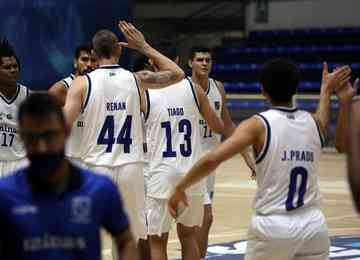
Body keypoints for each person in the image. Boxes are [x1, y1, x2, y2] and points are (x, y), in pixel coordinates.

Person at [168, 59, 351, 260]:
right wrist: (334, 95)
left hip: (274, 226)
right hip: (314, 226)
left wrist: (181, 187)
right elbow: (335, 138)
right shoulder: (312, 123)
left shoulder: (259, 125)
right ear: (296, 89)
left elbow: (213, 158)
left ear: (263, 90)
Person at [63, 21, 184, 257]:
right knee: (134, 235)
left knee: (88, 233)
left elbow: (62, 128)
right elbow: (178, 74)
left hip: (96, 167)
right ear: (120, 50)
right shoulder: (137, 79)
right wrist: (144, 46)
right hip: (132, 168)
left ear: (94, 55)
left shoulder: (81, 83)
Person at [0, 93, 138, 260]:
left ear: (66, 131)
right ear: (22, 137)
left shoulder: (99, 189)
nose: (41, 147)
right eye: (32, 139)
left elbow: (125, 241)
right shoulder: (5, 194)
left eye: (49, 136)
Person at [142, 41, 224, 260]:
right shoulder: (194, 89)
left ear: (152, 62)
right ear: (177, 62)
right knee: (188, 236)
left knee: (158, 240)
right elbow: (218, 127)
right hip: (192, 173)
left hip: (161, 173)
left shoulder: (145, 93)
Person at [188, 46, 255, 258]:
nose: (204, 63)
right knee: (205, 218)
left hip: (211, 165)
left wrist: (249, 159)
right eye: (199, 59)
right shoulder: (183, 88)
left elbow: (227, 125)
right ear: (190, 63)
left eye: (208, 59)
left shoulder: (218, 87)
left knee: (200, 223)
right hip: (189, 162)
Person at [49, 43, 98, 166]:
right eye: (84, 59)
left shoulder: (100, 86)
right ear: (75, 62)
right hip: (70, 158)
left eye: (93, 60)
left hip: (95, 158)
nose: (89, 64)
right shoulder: (61, 88)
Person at [0, 38, 30, 177]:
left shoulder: (29, 97)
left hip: (21, 162)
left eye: (15, 66)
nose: (13, 70)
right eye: (7, 67)